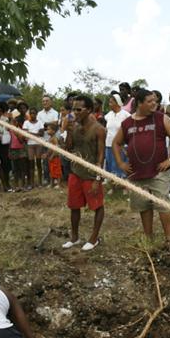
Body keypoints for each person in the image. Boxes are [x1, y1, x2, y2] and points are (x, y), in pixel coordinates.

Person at [112, 89, 170, 243]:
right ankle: (148, 239)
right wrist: (120, 163)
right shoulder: (127, 123)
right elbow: (116, 143)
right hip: (136, 173)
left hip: (158, 171)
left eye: (155, 100)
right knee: (143, 206)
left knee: (163, 205)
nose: (154, 104)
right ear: (139, 103)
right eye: (150, 101)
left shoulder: (161, 118)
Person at [62, 95, 105, 251]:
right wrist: (67, 131)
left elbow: (101, 156)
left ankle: (94, 238)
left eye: (78, 109)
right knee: (74, 206)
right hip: (75, 172)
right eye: (73, 109)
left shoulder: (99, 129)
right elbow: (68, 149)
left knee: (97, 206)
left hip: (91, 174)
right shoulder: (74, 127)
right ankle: (74, 237)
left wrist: (97, 179)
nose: (75, 112)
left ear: (89, 110)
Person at [103, 92, 131, 187]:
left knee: (120, 165)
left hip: (120, 145)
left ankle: (123, 186)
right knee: (110, 165)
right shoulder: (108, 115)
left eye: (111, 102)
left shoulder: (126, 115)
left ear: (117, 103)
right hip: (109, 144)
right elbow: (107, 129)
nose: (109, 104)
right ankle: (113, 186)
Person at [22, 107, 44, 189]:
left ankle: (40, 182)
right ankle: (32, 183)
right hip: (30, 145)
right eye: (31, 113)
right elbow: (24, 134)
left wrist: (30, 133)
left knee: (38, 163)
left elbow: (41, 133)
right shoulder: (26, 122)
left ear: (36, 114)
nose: (33, 115)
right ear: (29, 114)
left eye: (34, 113)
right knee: (31, 164)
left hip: (38, 144)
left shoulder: (40, 122)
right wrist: (36, 133)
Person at [43, 122, 63, 188]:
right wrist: (46, 154)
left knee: (57, 170)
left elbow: (56, 148)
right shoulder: (50, 138)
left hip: (55, 157)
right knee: (51, 170)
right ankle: (52, 184)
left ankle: (59, 184)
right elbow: (50, 149)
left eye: (49, 129)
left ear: (53, 131)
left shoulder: (54, 138)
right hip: (51, 157)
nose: (47, 131)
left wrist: (52, 155)